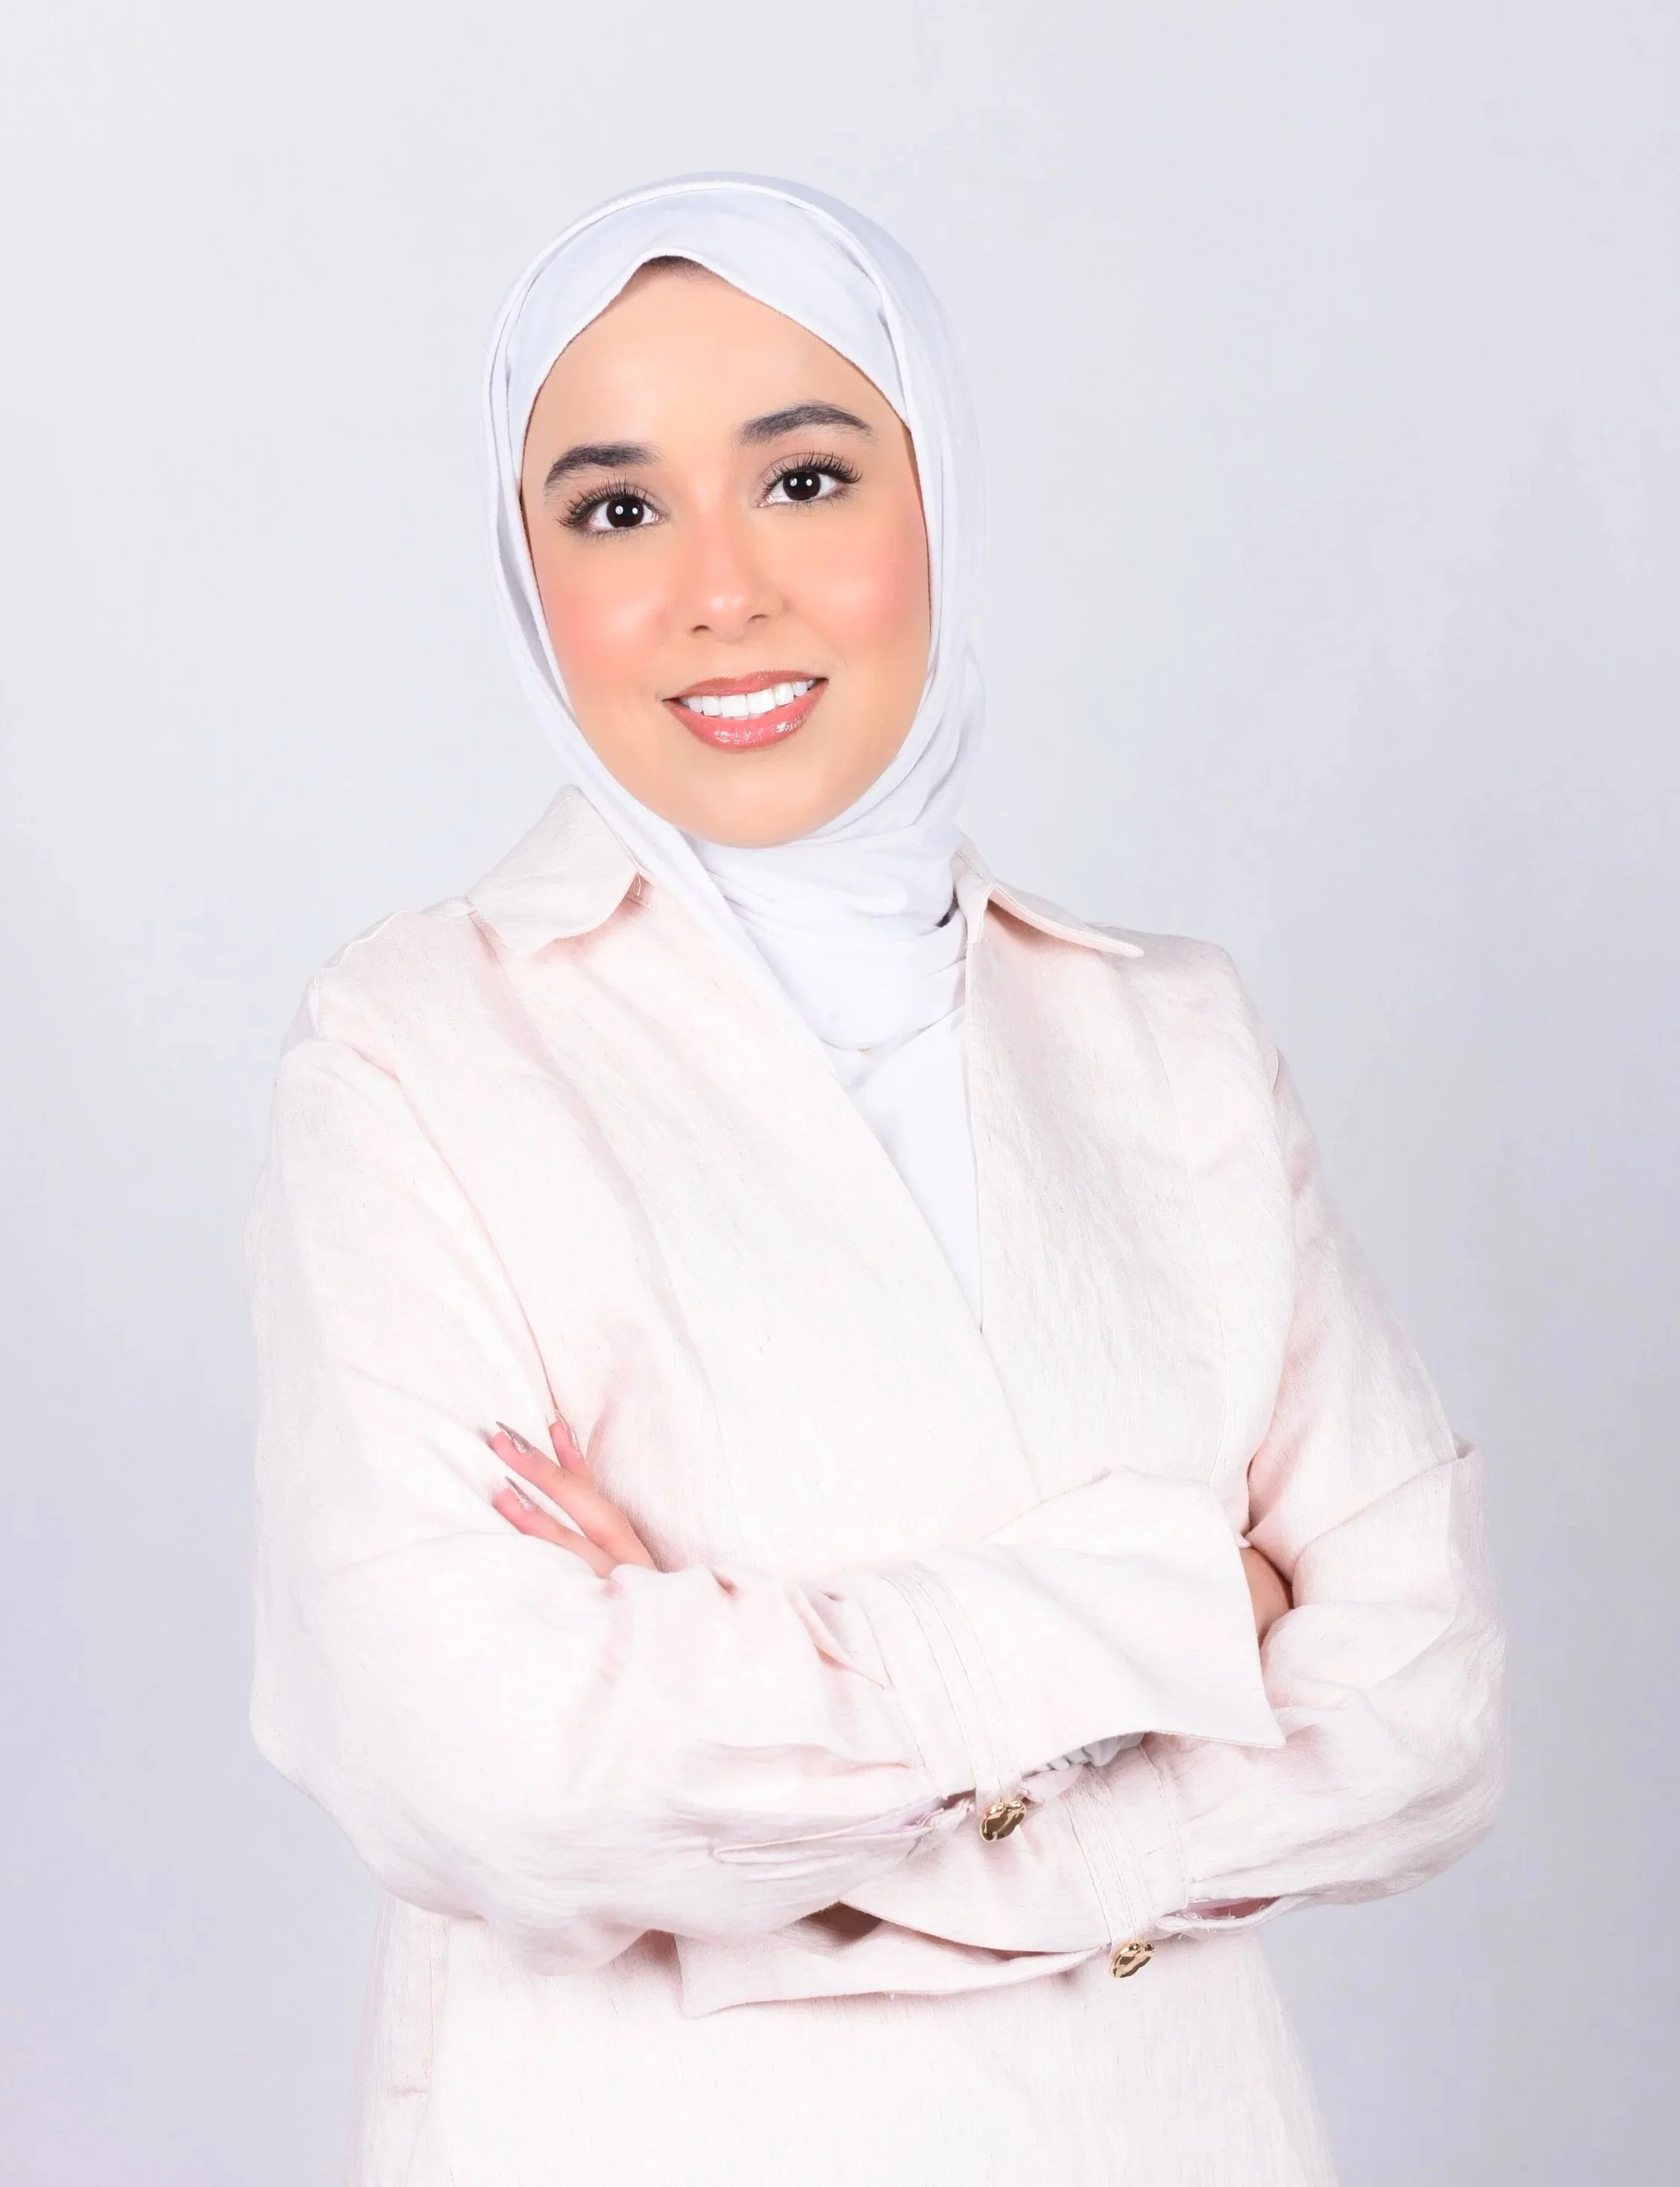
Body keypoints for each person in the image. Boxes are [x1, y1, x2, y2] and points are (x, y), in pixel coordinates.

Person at [245, 174, 1508, 2187]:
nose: (719, 589)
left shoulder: (1165, 1037)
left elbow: (1421, 1708)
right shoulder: (421, 1049)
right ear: (529, 570)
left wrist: (782, 1782)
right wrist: (1183, 1610)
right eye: (617, 509)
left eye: (806, 479)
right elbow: (488, 1767)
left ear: (936, 501)